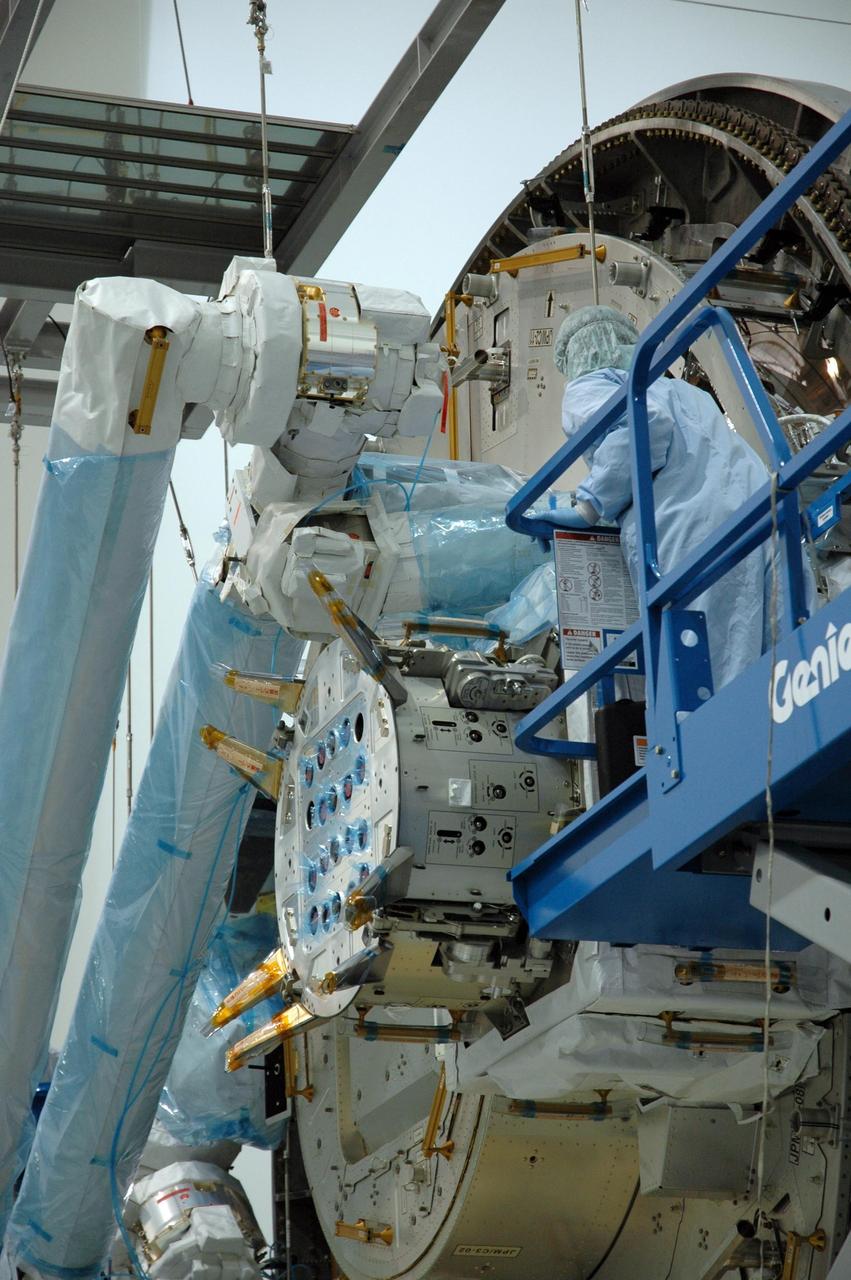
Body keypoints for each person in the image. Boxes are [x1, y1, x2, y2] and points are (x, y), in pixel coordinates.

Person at [552, 304, 779, 690]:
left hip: (692, 530)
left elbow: (647, 426)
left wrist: (591, 503)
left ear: (574, 353)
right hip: (763, 512)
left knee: (716, 682)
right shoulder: (684, 390)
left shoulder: (589, 385)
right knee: (789, 673)